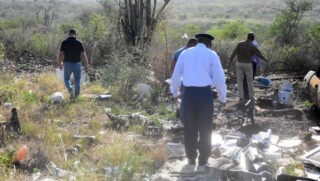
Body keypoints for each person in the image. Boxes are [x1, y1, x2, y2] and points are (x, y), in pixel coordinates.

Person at [170, 33, 227, 166]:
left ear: (197, 42)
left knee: (190, 127)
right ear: (209, 43)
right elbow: (219, 78)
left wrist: (174, 92)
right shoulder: (211, 54)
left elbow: (176, 74)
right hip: (205, 94)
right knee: (205, 127)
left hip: (188, 94)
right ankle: (203, 159)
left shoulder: (185, 53)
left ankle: (191, 157)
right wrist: (222, 97)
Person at [229, 32, 268, 102]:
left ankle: (241, 97)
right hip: (247, 64)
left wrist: (230, 62)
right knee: (249, 81)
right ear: (253, 38)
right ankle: (251, 97)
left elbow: (233, 53)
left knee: (240, 81)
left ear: (247, 37)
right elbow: (259, 54)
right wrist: (265, 59)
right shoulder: (252, 46)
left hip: (239, 64)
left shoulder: (240, 44)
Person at [170, 38, 197, 125]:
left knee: (184, 99)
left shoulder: (179, 51)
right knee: (188, 99)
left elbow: (172, 67)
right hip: (188, 79)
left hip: (181, 79)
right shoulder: (191, 52)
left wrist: (173, 79)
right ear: (193, 44)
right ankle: (186, 119)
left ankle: (183, 119)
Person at [58, 29, 89, 101]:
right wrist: (86, 65)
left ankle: (70, 89)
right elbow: (83, 56)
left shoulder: (64, 42)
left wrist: (60, 63)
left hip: (67, 64)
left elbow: (60, 55)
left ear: (69, 34)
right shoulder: (79, 43)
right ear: (75, 34)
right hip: (77, 64)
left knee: (66, 79)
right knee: (77, 80)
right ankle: (76, 98)